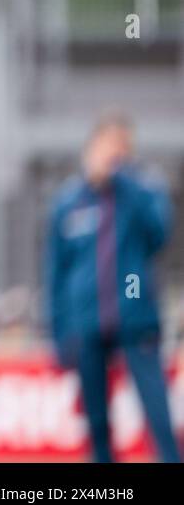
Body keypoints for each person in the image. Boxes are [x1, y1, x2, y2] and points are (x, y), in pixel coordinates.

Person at [45, 111, 180, 463]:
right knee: (96, 420)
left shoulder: (141, 191)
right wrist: (59, 331)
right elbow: (56, 270)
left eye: (121, 148)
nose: (112, 155)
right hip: (85, 321)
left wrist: (125, 182)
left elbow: (159, 236)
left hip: (135, 316)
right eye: (106, 146)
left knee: (156, 408)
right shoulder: (70, 201)